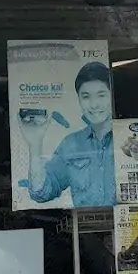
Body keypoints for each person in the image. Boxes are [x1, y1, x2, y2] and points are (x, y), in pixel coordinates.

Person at [20, 61, 114, 207]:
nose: (94, 104)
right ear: (79, 100)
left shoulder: (131, 140)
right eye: (86, 96)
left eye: (101, 95)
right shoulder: (71, 144)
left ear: (112, 96)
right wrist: (35, 144)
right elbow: (41, 192)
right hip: (86, 227)